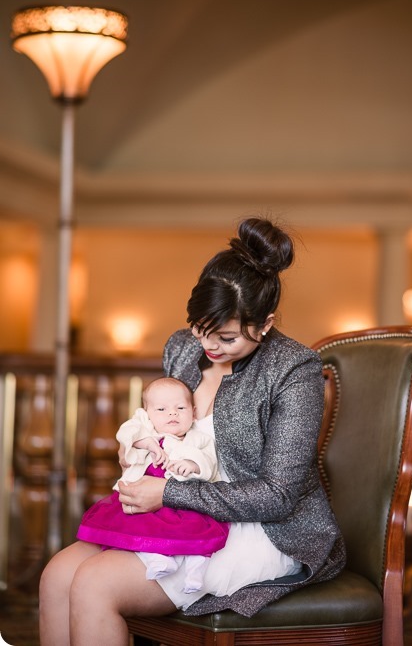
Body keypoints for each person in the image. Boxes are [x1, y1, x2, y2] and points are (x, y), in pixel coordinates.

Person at [39, 217, 346, 646]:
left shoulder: (294, 371)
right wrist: (140, 451)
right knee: (56, 577)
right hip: (179, 513)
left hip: (263, 528)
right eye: (201, 327)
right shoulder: (183, 347)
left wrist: (167, 493)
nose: (209, 344)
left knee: (95, 584)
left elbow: (277, 496)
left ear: (266, 323)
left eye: (226, 337)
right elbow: (159, 422)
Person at [76, 376, 229, 592]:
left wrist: (192, 465)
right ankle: (158, 558)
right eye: (161, 409)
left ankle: (196, 571)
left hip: (182, 504)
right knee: (143, 526)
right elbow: (126, 433)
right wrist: (145, 442)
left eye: (180, 408)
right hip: (145, 502)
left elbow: (209, 462)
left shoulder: (197, 438)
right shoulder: (146, 430)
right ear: (147, 413)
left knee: (196, 535)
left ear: (193, 413)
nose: (172, 413)